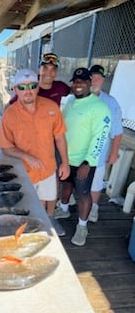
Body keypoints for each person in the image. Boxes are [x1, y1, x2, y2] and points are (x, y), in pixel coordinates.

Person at [0, 68, 70, 236]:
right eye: (22, 87)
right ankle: (30, 231)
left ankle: (47, 224)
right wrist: (26, 156)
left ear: (38, 88)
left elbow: (60, 137)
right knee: (25, 207)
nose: (27, 91)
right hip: (23, 173)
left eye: (31, 86)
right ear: (15, 90)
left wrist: (65, 163)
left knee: (46, 201)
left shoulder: (52, 107)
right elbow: (5, 146)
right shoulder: (9, 115)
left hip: (47, 168)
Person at [53, 67, 111, 246]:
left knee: (84, 193)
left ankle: (82, 226)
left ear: (89, 83)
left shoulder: (100, 107)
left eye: (83, 81)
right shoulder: (70, 102)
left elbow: (100, 137)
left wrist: (88, 162)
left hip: (85, 161)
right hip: (66, 158)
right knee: (66, 185)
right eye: (76, 81)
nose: (78, 85)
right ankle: (63, 209)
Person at [88, 65, 123, 222]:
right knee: (74, 180)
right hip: (76, 153)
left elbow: (117, 131)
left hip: (98, 153)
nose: (94, 80)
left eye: (98, 77)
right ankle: (68, 204)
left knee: (96, 182)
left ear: (103, 80)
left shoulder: (111, 102)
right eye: (91, 77)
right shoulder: (77, 97)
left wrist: (114, 152)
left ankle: (93, 207)